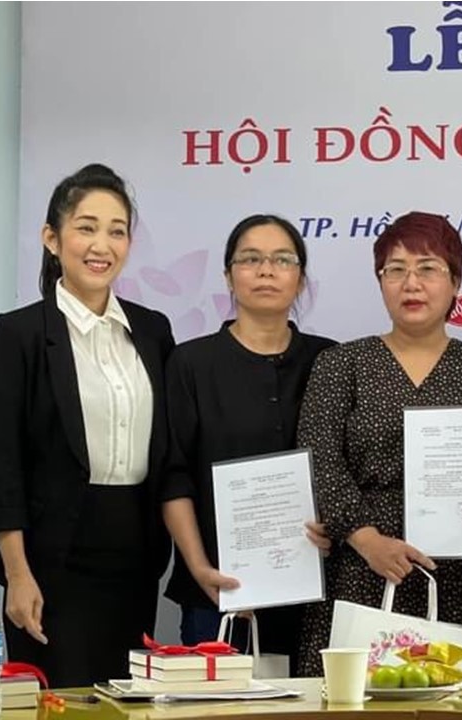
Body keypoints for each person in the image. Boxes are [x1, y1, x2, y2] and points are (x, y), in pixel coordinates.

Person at [295, 212, 462, 676]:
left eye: (428, 268)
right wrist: (367, 540)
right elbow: (319, 459)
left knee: (457, 701)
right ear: (380, 282)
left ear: (456, 282)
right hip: (362, 570)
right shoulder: (342, 364)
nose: (411, 283)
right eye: (395, 269)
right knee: (353, 700)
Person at [0, 164, 175, 686]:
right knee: (57, 703)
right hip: (50, 563)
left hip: (135, 555)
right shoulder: (18, 334)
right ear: (52, 238)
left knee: (128, 701)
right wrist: (17, 574)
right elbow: (4, 467)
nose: (101, 245)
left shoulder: (153, 331)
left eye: (117, 230)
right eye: (86, 227)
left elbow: (169, 451)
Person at [160, 214, 335, 674]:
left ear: (300, 278)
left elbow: (346, 470)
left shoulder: (330, 360)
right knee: (220, 706)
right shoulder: (190, 363)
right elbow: (173, 477)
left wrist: (334, 526)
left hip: (316, 590)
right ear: (228, 276)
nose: (266, 270)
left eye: (282, 260)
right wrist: (199, 568)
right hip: (218, 588)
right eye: (250, 259)